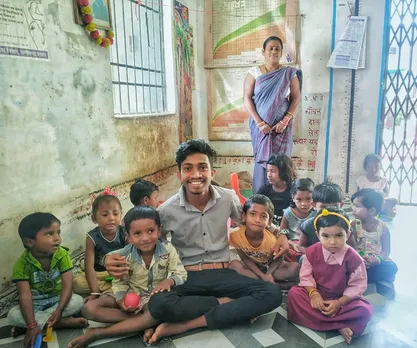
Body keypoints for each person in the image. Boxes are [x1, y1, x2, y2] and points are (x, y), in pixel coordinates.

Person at [104, 139, 289, 344]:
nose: (196, 175)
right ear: (179, 174)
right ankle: (229, 307)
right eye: (187, 168)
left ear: (212, 172)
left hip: (223, 272)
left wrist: (281, 234)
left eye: (202, 167)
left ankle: (183, 324)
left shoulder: (228, 198)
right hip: (187, 277)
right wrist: (108, 258)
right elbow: (144, 242)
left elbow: (249, 220)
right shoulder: (166, 211)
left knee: (272, 293)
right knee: (159, 303)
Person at [68, 206, 188, 348]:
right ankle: (141, 322)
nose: (145, 238)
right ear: (128, 236)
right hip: (130, 292)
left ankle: (97, 333)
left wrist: (169, 280)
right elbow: (119, 282)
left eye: (151, 231)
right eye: (137, 233)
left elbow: (181, 273)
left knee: (155, 311)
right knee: (88, 309)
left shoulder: (168, 249)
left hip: (153, 298)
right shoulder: (124, 255)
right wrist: (120, 299)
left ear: (159, 230)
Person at [287, 208, 373, 344]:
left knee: (364, 310)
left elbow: (357, 286)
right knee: (294, 294)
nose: (332, 242)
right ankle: (340, 324)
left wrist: (339, 303)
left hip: (343, 299)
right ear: (317, 234)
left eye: (339, 235)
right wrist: (314, 294)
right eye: (326, 236)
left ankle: (326, 322)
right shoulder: (312, 252)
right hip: (317, 294)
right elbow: (305, 276)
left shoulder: (354, 259)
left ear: (348, 234)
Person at [8, 213, 87, 348]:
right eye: (50, 234)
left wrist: (60, 309)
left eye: (58, 232)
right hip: (36, 304)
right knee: (13, 315)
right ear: (29, 242)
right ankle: (60, 323)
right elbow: (25, 296)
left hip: (57, 301)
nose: (58, 239)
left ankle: (36, 325)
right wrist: (32, 324)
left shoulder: (62, 255)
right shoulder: (22, 264)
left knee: (78, 301)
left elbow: (67, 287)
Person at [243, 36, 302, 193]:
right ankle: (260, 196)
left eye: (277, 48)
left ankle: (283, 199)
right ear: (264, 51)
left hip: (281, 128)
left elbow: (296, 97)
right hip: (260, 127)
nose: (274, 51)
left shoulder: (289, 73)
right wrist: (259, 123)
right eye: (271, 48)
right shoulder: (254, 72)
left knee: (281, 162)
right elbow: (247, 99)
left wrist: (285, 120)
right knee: (262, 162)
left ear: (281, 52)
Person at [229, 194, 300, 287]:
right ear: (243, 216)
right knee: (234, 265)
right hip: (251, 267)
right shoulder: (235, 235)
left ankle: (260, 282)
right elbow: (245, 258)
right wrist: (261, 275)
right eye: (253, 214)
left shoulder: (272, 240)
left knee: (294, 267)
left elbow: (278, 259)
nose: (257, 220)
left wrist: (268, 273)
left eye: (263, 216)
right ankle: (271, 284)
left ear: (269, 222)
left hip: (271, 267)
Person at [72, 188, 126, 298]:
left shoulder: (124, 232)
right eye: (105, 215)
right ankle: (113, 289)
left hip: (120, 272)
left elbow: (133, 257)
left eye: (115, 214)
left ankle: (116, 287)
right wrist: (95, 292)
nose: (111, 218)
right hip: (100, 274)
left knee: (132, 274)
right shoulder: (92, 237)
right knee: (77, 283)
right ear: (94, 219)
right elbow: (89, 267)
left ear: (121, 215)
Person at [351, 189, 398, 297]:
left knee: (392, 267)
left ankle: (362, 279)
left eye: (357, 206)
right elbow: (351, 247)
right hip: (358, 262)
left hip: (376, 262)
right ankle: (373, 278)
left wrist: (377, 260)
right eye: (353, 205)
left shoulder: (383, 228)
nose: (353, 209)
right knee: (346, 269)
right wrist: (359, 259)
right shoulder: (353, 225)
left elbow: (386, 251)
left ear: (372, 211)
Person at [298, 182, 356, 249]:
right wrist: (313, 256)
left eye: (334, 206)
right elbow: (301, 246)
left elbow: (352, 247)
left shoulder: (344, 224)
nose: (329, 210)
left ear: (341, 205)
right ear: (313, 205)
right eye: (323, 207)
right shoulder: (308, 225)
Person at [280, 178, 315, 260]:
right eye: (299, 199)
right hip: (293, 245)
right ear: (293, 197)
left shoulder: (316, 212)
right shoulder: (288, 213)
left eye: (308, 199)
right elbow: (282, 233)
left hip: (311, 245)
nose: (304, 204)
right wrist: (291, 243)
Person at [257, 154, 297, 226]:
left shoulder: (293, 190)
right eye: (268, 171)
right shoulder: (264, 190)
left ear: (283, 172)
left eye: (273, 171)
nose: (269, 175)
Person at [356, 154, 397, 218]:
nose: (373, 169)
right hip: (366, 204)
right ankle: (381, 212)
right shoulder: (362, 180)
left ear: (380, 167)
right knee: (361, 205)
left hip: (378, 204)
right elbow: (357, 196)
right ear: (365, 167)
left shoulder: (383, 181)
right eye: (370, 167)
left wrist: (383, 199)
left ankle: (382, 211)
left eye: (376, 166)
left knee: (393, 201)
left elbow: (387, 194)